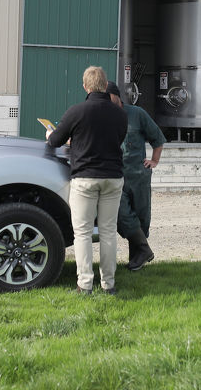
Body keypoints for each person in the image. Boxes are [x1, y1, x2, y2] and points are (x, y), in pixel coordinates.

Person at [46, 66, 127, 295]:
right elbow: (116, 138)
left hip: (85, 177)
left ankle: (85, 284)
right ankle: (109, 284)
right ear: (105, 84)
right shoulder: (120, 114)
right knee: (109, 232)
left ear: (86, 86)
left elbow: (55, 141)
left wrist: (50, 135)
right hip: (113, 177)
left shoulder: (77, 111)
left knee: (82, 232)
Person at [107, 81, 166, 271]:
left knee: (141, 217)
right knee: (122, 214)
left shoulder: (137, 114)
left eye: (108, 97)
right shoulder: (104, 116)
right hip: (116, 175)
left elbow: (157, 137)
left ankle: (136, 260)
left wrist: (154, 161)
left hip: (138, 175)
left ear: (117, 96)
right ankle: (144, 251)